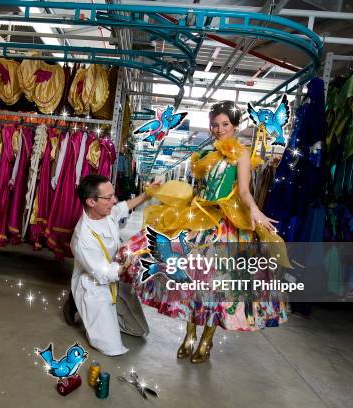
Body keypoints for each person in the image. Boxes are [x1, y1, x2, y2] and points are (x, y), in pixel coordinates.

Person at [123, 101, 289, 363]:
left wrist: (255, 211)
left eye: (225, 124)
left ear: (236, 125)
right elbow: (202, 188)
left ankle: (207, 339)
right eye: (215, 124)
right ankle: (189, 334)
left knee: (217, 286)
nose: (219, 129)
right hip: (200, 217)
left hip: (227, 224)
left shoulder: (242, 154)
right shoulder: (204, 155)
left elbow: (244, 191)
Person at [63, 173, 159, 356]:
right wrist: (130, 263)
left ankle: (103, 315)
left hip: (117, 278)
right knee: (111, 348)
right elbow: (102, 273)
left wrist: (147, 195)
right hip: (95, 283)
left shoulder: (107, 212)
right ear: (91, 202)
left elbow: (123, 207)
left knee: (139, 331)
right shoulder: (82, 236)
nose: (113, 200)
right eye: (108, 197)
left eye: (113, 195)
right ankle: (78, 302)